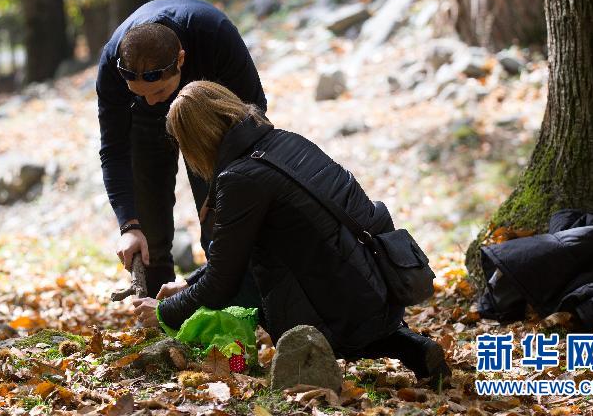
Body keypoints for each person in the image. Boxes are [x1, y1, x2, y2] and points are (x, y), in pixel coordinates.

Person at [133, 81, 451, 385]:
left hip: (341, 302)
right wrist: (187, 285)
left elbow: (221, 283)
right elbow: (233, 255)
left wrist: (163, 312)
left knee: (246, 286)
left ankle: (329, 351)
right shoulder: (284, 141)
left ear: (196, 141)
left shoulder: (240, 178)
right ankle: (410, 346)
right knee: (258, 263)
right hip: (377, 284)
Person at [96, 0, 266, 297]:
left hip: (208, 120)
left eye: (158, 90)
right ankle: (158, 314)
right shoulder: (112, 64)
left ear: (181, 60)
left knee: (219, 224)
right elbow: (113, 149)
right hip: (143, 126)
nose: (151, 100)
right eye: (139, 93)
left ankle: (230, 308)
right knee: (149, 233)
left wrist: (222, 187)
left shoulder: (214, 34)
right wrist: (128, 225)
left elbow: (254, 113)